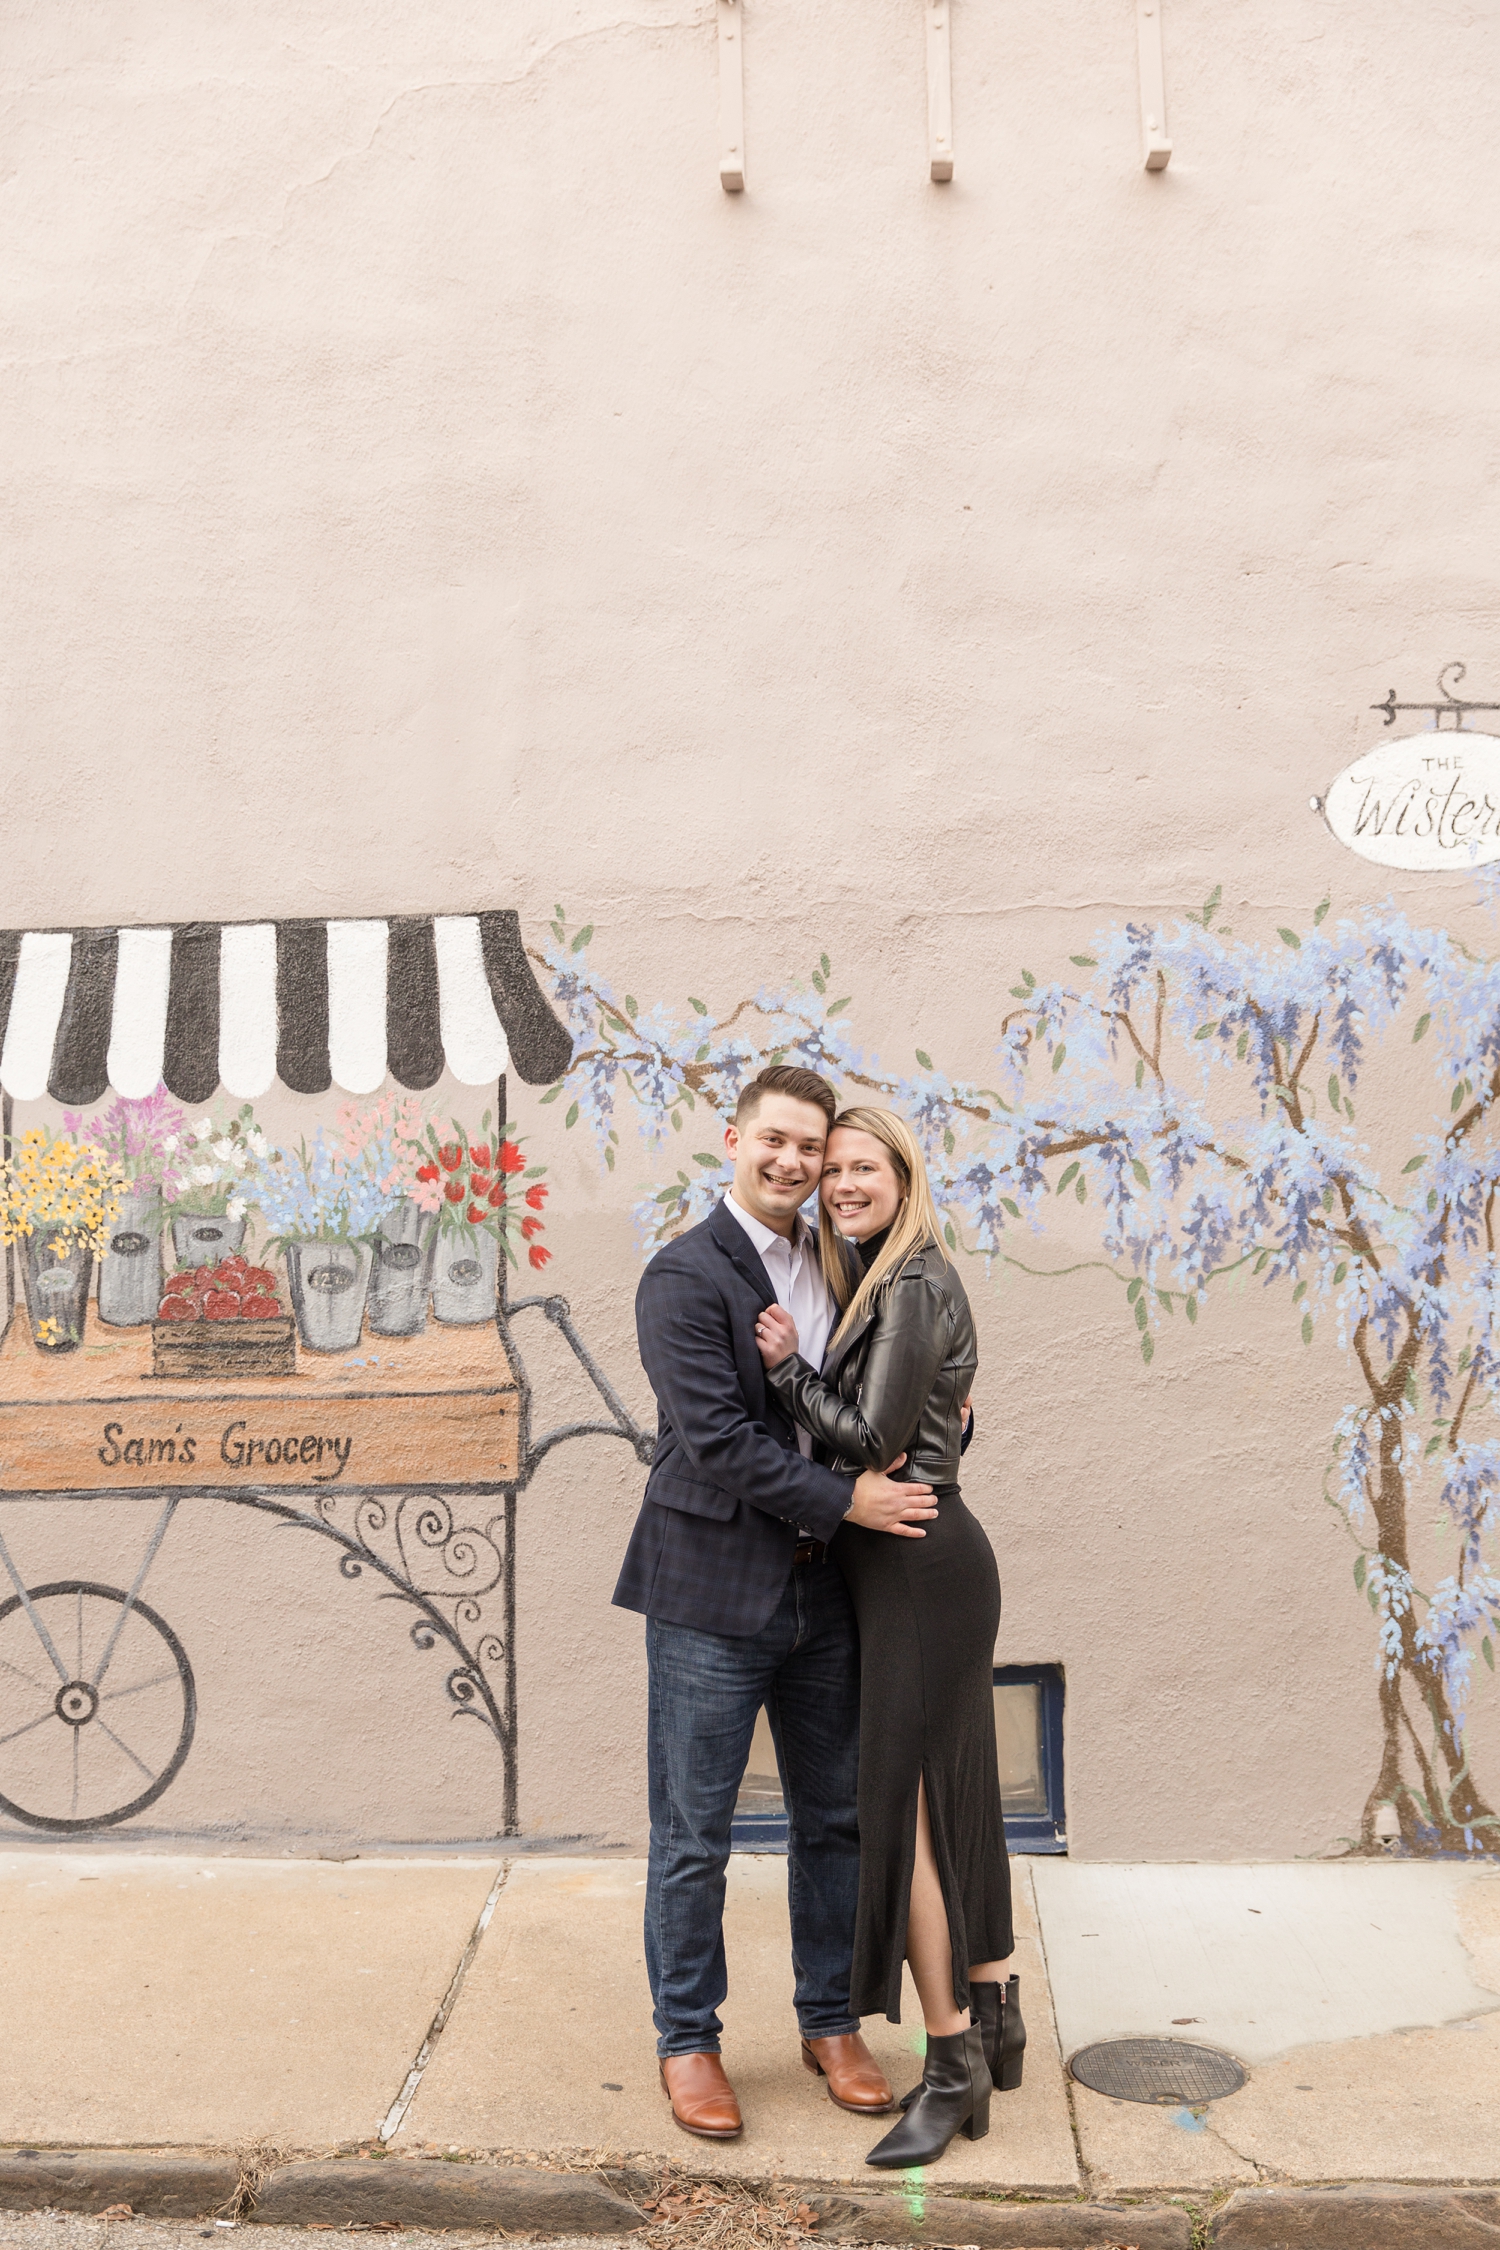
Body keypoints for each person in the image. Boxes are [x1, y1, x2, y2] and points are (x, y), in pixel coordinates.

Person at [614, 1064, 941, 2142]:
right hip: (712, 1592)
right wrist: (848, 1499)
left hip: (827, 1595)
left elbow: (872, 1398)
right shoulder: (682, 1275)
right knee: (695, 1833)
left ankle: (830, 2019)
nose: (797, 1163)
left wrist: (947, 1414)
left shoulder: (840, 1260)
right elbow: (717, 1445)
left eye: (812, 1148)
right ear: (735, 1139)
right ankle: (688, 2041)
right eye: (779, 1142)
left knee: (836, 1820)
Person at [753, 1105, 1023, 2168]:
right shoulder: (889, 1278)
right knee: (953, 1790)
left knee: (900, 1812)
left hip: (917, 1568)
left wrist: (786, 1371)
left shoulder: (906, 1279)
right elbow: (920, 1414)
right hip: (915, 1568)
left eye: (865, 1167)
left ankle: (952, 2062)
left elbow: (873, 1438)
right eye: (835, 1171)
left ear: (905, 1178)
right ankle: (993, 2018)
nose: (842, 1184)